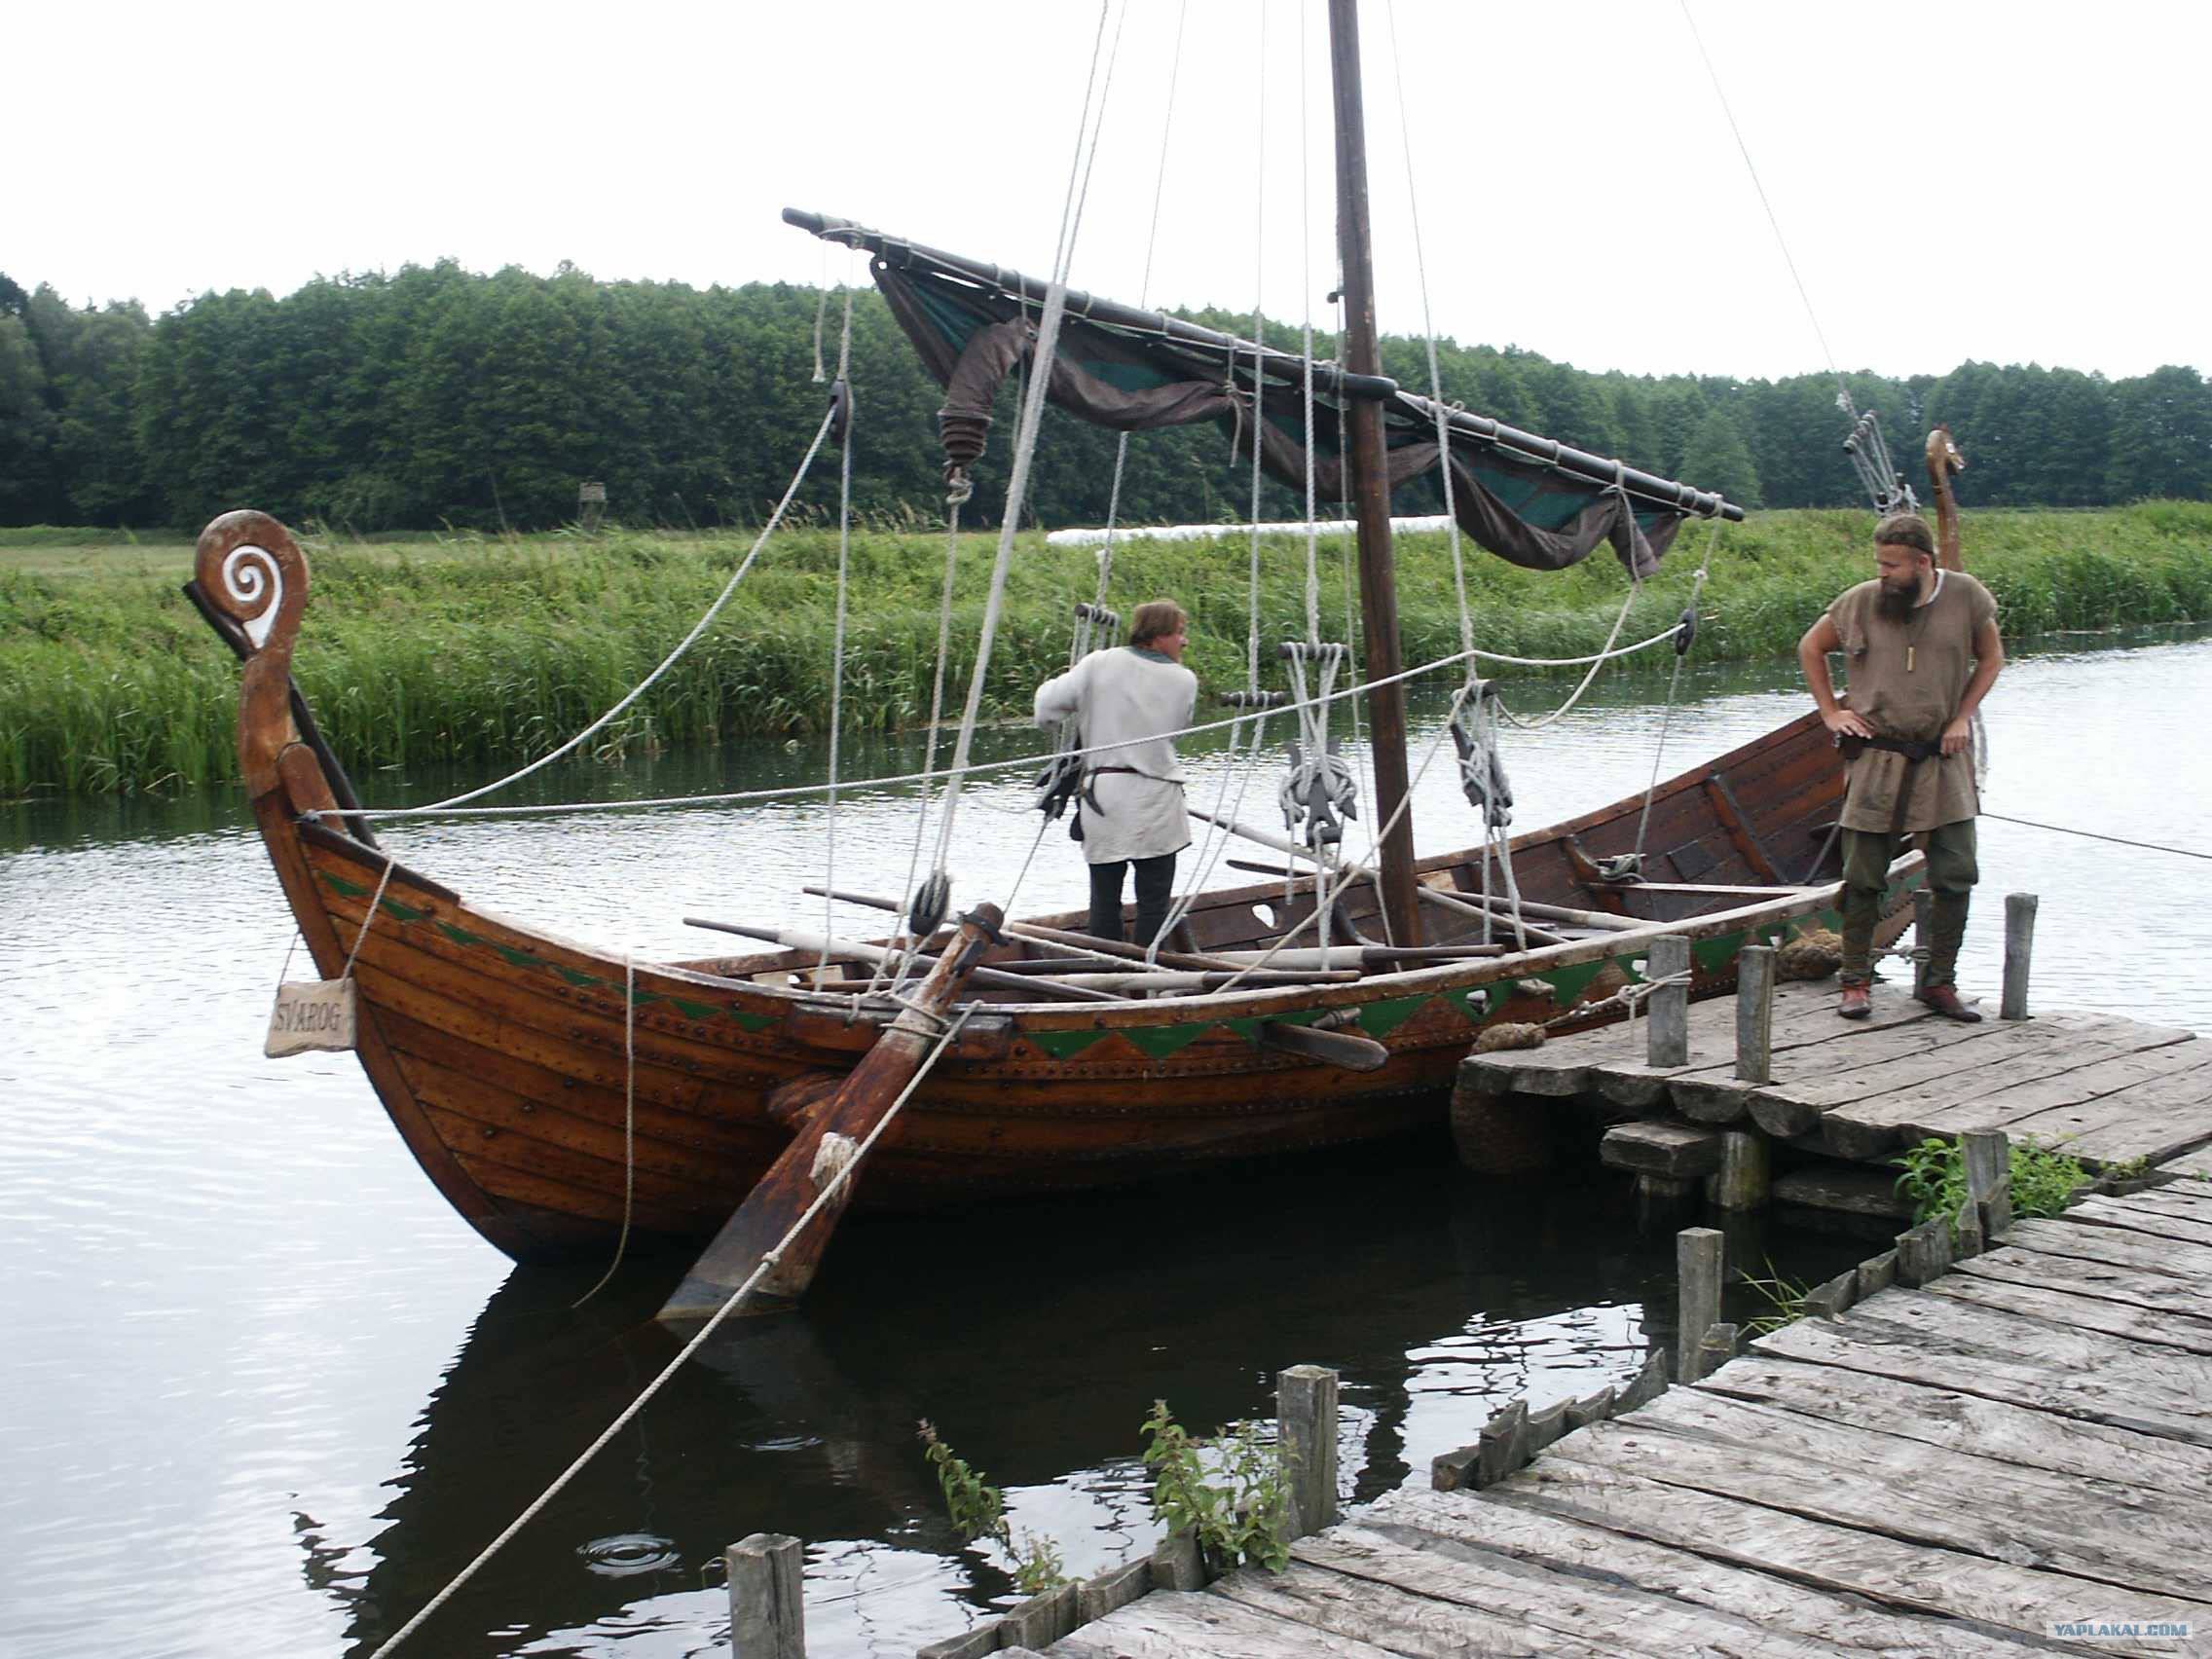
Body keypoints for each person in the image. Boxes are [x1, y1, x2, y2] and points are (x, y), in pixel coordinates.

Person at [1797, 511, 2004, 1021]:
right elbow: (1811, 647)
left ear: (1923, 563)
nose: (1882, 573)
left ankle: (1938, 984)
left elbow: (1992, 658)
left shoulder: (1967, 597)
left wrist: (1961, 718)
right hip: (1877, 758)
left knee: (1956, 873)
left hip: (1944, 757)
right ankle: (1855, 982)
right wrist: (1831, 712)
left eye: (1891, 565)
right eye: (1879, 563)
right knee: (1864, 876)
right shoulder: (1860, 601)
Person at [1033, 599, 1198, 946]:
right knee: (1154, 898)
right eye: (1179, 633)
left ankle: (1107, 971)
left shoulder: (1098, 664)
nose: (1184, 641)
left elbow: (1046, 710)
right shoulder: (1184, 680)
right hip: (1157, 797)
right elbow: (1178, 726)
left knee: (1104, 895)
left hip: (1104, 796)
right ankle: (1149, 977)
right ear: (1156, 637)